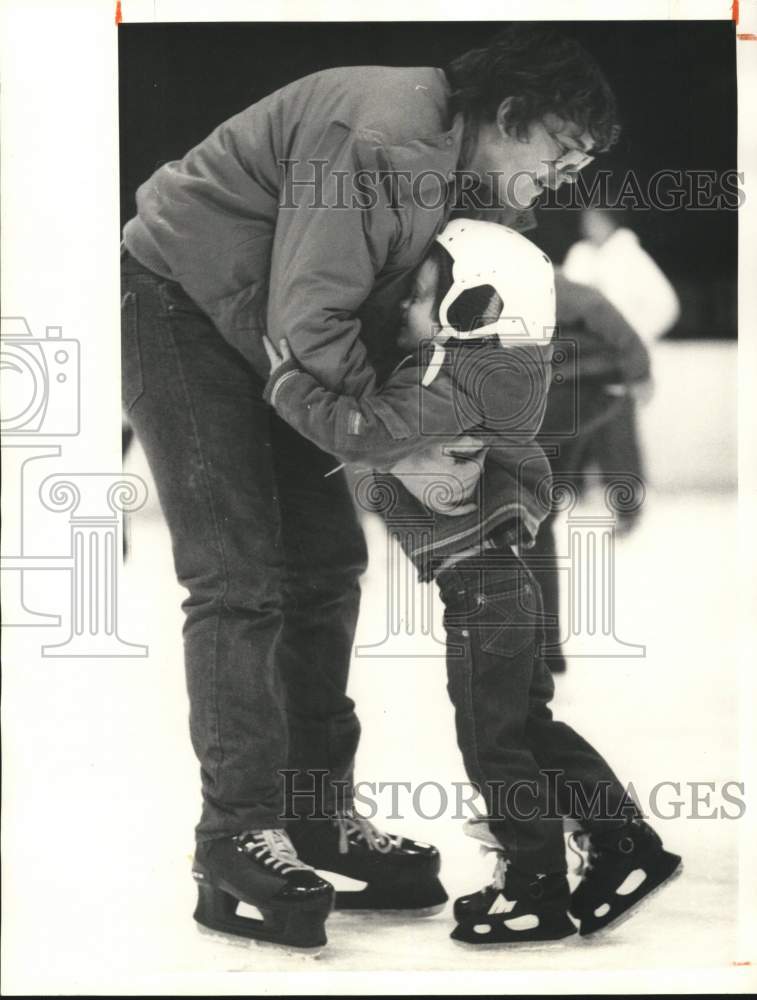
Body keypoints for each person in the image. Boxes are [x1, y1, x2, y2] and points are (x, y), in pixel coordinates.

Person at [121, 24, 629, 948]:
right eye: (561, 152)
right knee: (237, 576)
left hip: (276, 343)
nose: (567, 178)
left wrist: (443, 452)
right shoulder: (382, 136)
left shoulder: (480, 197)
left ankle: (316, 814)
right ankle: (237, 834)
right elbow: (310, 324)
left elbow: (423, 347)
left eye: (582, 164)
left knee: (323, 567)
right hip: (182, 307)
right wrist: (391, 452)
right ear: (508, 114)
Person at [263, 218, 682, 945]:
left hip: (482, 596)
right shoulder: (498, 371)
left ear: (474, 304)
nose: (402, 309)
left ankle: (534, 886)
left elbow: (362, 431)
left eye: (420, 296)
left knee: (495, 746)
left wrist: (288, 384)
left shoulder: (453, 379)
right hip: (499, 589)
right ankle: (624, 845)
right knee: (526, 729)